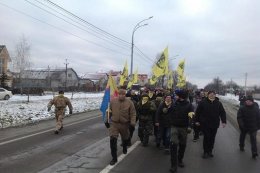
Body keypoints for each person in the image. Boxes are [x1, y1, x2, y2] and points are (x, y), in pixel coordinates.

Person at [104, 89, 136, 165]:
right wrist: (106, 120)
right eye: (120, 94)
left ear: (125, 95)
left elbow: (133, 113)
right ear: (118, 94)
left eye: (123, 94)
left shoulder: (129, 103)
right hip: (114, 124)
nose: (121, 95)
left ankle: (125, 146)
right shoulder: (113, 102)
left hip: (124, 124)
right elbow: (108, 111)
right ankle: (114, 158)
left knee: (125, 138)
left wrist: (132, 123)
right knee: (113, 140)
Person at [195, 90, 226, 159]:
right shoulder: (203, 102)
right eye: (210, 94)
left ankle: (210, 151)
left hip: (214, 124)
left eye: (213, 94)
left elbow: (222, 113)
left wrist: (224, 121)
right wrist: (197, 121)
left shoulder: (218, 103)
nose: (212, 95)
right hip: (205, 123)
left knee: (212, 138)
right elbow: (198, 112)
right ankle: (205, 151)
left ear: (215, 95)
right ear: (208, 95)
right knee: (206, 137)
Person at [169, 90, 194, 173]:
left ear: (181, 96)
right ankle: (173, 165)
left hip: (184, 128)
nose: (175, 96)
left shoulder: (189, 106)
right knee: (173, 144)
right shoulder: (174, 103)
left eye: (177, 95)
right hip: (174, 127)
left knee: (182, 145)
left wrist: (190, 126)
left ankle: (180, 160)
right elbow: (170, 113)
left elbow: (191, 116)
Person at [237, 95, 260, 159]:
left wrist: (258, 126)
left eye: (249, 101)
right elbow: (239, 117)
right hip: (244, 126)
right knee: (242, 136)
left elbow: (259, 118)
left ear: (252, 101)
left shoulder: (256, 108)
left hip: (253, 127)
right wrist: (241, 125)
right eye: (247, 101)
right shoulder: (242, 108)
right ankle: (241, 146)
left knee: (253, 139)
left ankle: (254, 152)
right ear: (245, 101)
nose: (248, 102)